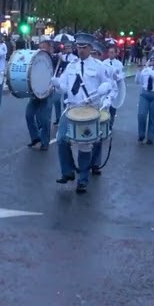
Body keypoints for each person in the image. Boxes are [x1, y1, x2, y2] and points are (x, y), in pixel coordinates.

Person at [55, 33, 113, 194]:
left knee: (84, 146)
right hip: (72, 108)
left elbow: (108, 83)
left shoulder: (98, 66)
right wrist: (57, 84)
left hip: (89, 110)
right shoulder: (71, 66)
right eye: (78, 47)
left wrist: (105, 89)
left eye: (84, 48)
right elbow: (65, 86)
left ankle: (83, 180)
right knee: (61, 140)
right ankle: (67, 172)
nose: (81, 50)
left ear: (90, 48)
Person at [26, 37, 54, 151]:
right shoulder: (36, 58)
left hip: (47, 92)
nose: (41, 48)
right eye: (40, 46)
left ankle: (45, 142)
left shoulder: (54, 58)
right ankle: (35, 137)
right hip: (36, 91)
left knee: (44, 118)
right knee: (28, 115)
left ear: (49, 47)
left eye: (43, 46)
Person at [136, 51, 154, 144]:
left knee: (153, 117)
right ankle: (141, 134)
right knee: (141, 114)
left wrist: (146, 67)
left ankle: (150, 137)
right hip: (145, 93)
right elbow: (138, 81)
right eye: (153, 60)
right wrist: (138, 71)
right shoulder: (146, 70)